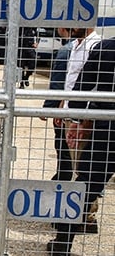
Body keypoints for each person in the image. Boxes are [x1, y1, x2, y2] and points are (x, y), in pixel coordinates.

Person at [47, 37, 115, 255]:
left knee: (86, 187)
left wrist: (77, 118)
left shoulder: (105, 47)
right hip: (106, 125)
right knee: (86, 186)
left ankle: (62, 242)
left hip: (107, 127)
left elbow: (82, 87)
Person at [40, 28, 74, 182]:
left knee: (63, 146)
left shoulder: (65, 51)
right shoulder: (97, 46)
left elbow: (58, 83)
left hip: (66, 109)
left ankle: (62, 180)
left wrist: (49, 107)